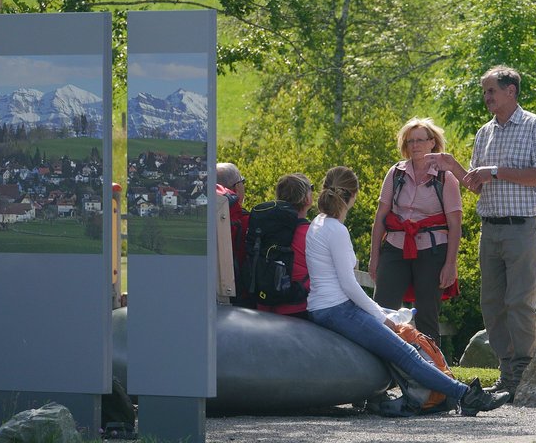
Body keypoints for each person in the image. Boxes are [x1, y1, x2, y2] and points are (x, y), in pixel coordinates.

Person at [305, 166, 509, 416]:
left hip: (326, 306)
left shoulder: (317, 224)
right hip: (337, 309)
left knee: (398, 334)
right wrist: (381, 317)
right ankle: (464, 395)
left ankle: (450, 394)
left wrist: (381, 311)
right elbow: (348, 285)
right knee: (406, 352)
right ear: (353, 195)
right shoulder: (336, 229)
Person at [430, 65, 536, 401]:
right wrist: (453, 166)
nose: (487, 97)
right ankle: (506, 373)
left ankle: (521, 372)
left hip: (523, 227)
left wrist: (496, 172)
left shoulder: (535, 126)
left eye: (492, 91)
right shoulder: (483, 133)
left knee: (519, 302)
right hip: (491, 229)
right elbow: (476, 185)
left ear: (511, 91)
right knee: (492, 304)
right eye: (485, 91)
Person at [369, 117, 462, 343]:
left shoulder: (445, 177)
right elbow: (380, 217)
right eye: (410, 141)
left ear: (433, 142)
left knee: (427, 314)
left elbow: (455, 225)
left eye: (420, 140)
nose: (415, 145)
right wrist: (374, 257)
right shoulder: (396, 173)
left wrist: (450, 264)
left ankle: (432, 371)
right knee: (381, 309)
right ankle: (381, 371)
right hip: (395, 246)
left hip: (433, 250)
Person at [256, 173, 313, 319]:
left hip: (263, 306)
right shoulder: (312, 233)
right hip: (297, 308)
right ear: (307, 199)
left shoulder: (265, 227)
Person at [216, 162, 252, 307]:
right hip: (240, 297)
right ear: (237, 187)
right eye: (242, 181)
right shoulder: (246, 221)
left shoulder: (203, 219)